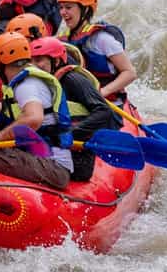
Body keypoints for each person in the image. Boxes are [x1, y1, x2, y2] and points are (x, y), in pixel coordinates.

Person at [0, 32, 72, 190]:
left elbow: (33, 118)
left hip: (53, 166)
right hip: (43, 157)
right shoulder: (26, 81)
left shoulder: (27, 84)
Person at [29, 36, 124, 183]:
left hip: (78, 160)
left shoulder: (73, 80)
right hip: (54, 150)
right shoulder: (41, 83)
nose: (34, 66)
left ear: (56, 61)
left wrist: (69, 134)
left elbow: (104, 112)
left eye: (39, 60)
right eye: (32, 61)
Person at [54, 0, 135, 102]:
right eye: (61, 8)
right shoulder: (62, 39)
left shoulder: (102, 39)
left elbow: (130, 72)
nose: (62, 12)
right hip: (79, 98)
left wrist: (102, 92)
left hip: (107, 100)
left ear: (85, 9)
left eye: (68, 7)